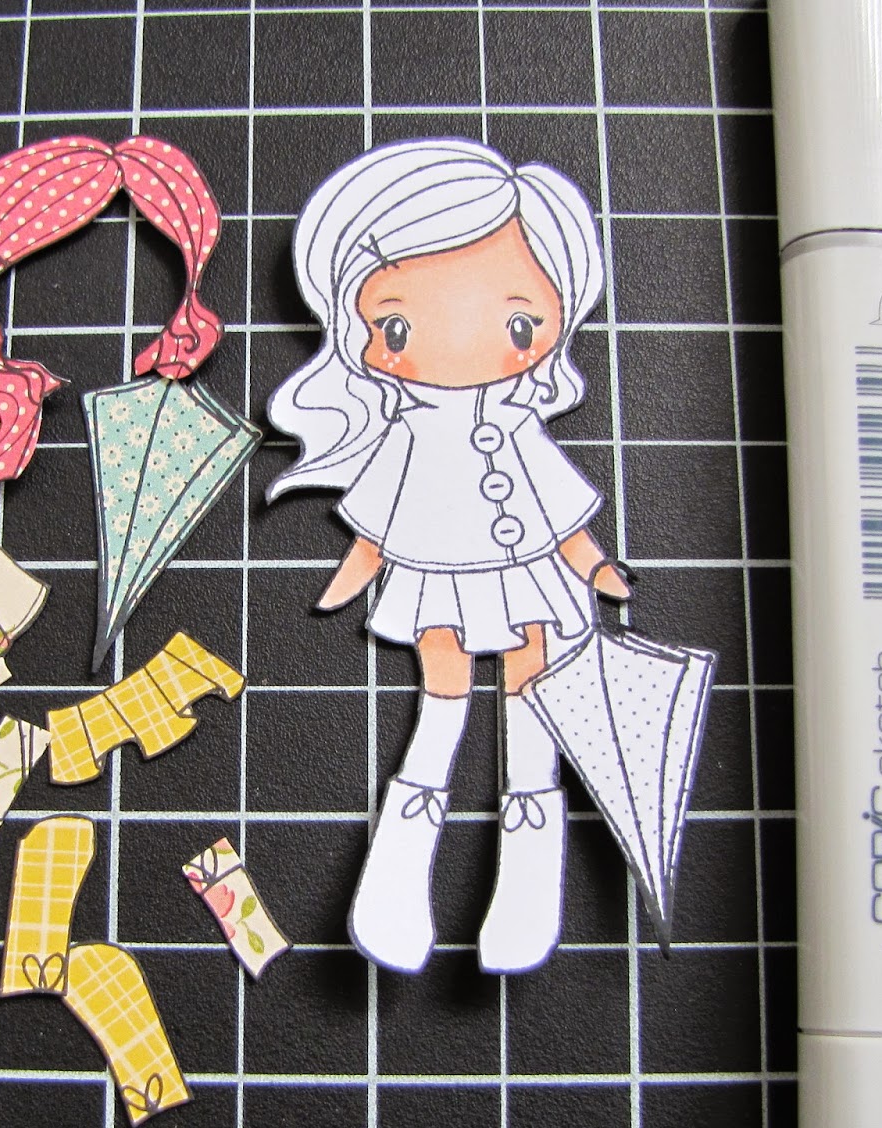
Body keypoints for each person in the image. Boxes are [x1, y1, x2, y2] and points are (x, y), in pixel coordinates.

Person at [267, 139, 630, 973]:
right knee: (442, 705)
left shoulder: (521, 425)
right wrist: (353, 575)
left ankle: (528, 881)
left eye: (516, 322)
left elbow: (560, 515)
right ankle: (396, 880)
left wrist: (595, 567)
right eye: (395, 324)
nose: (462, 344)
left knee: (532, 709)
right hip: (437, 585)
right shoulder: (406, 432)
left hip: (531, 581)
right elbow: (378, 523)